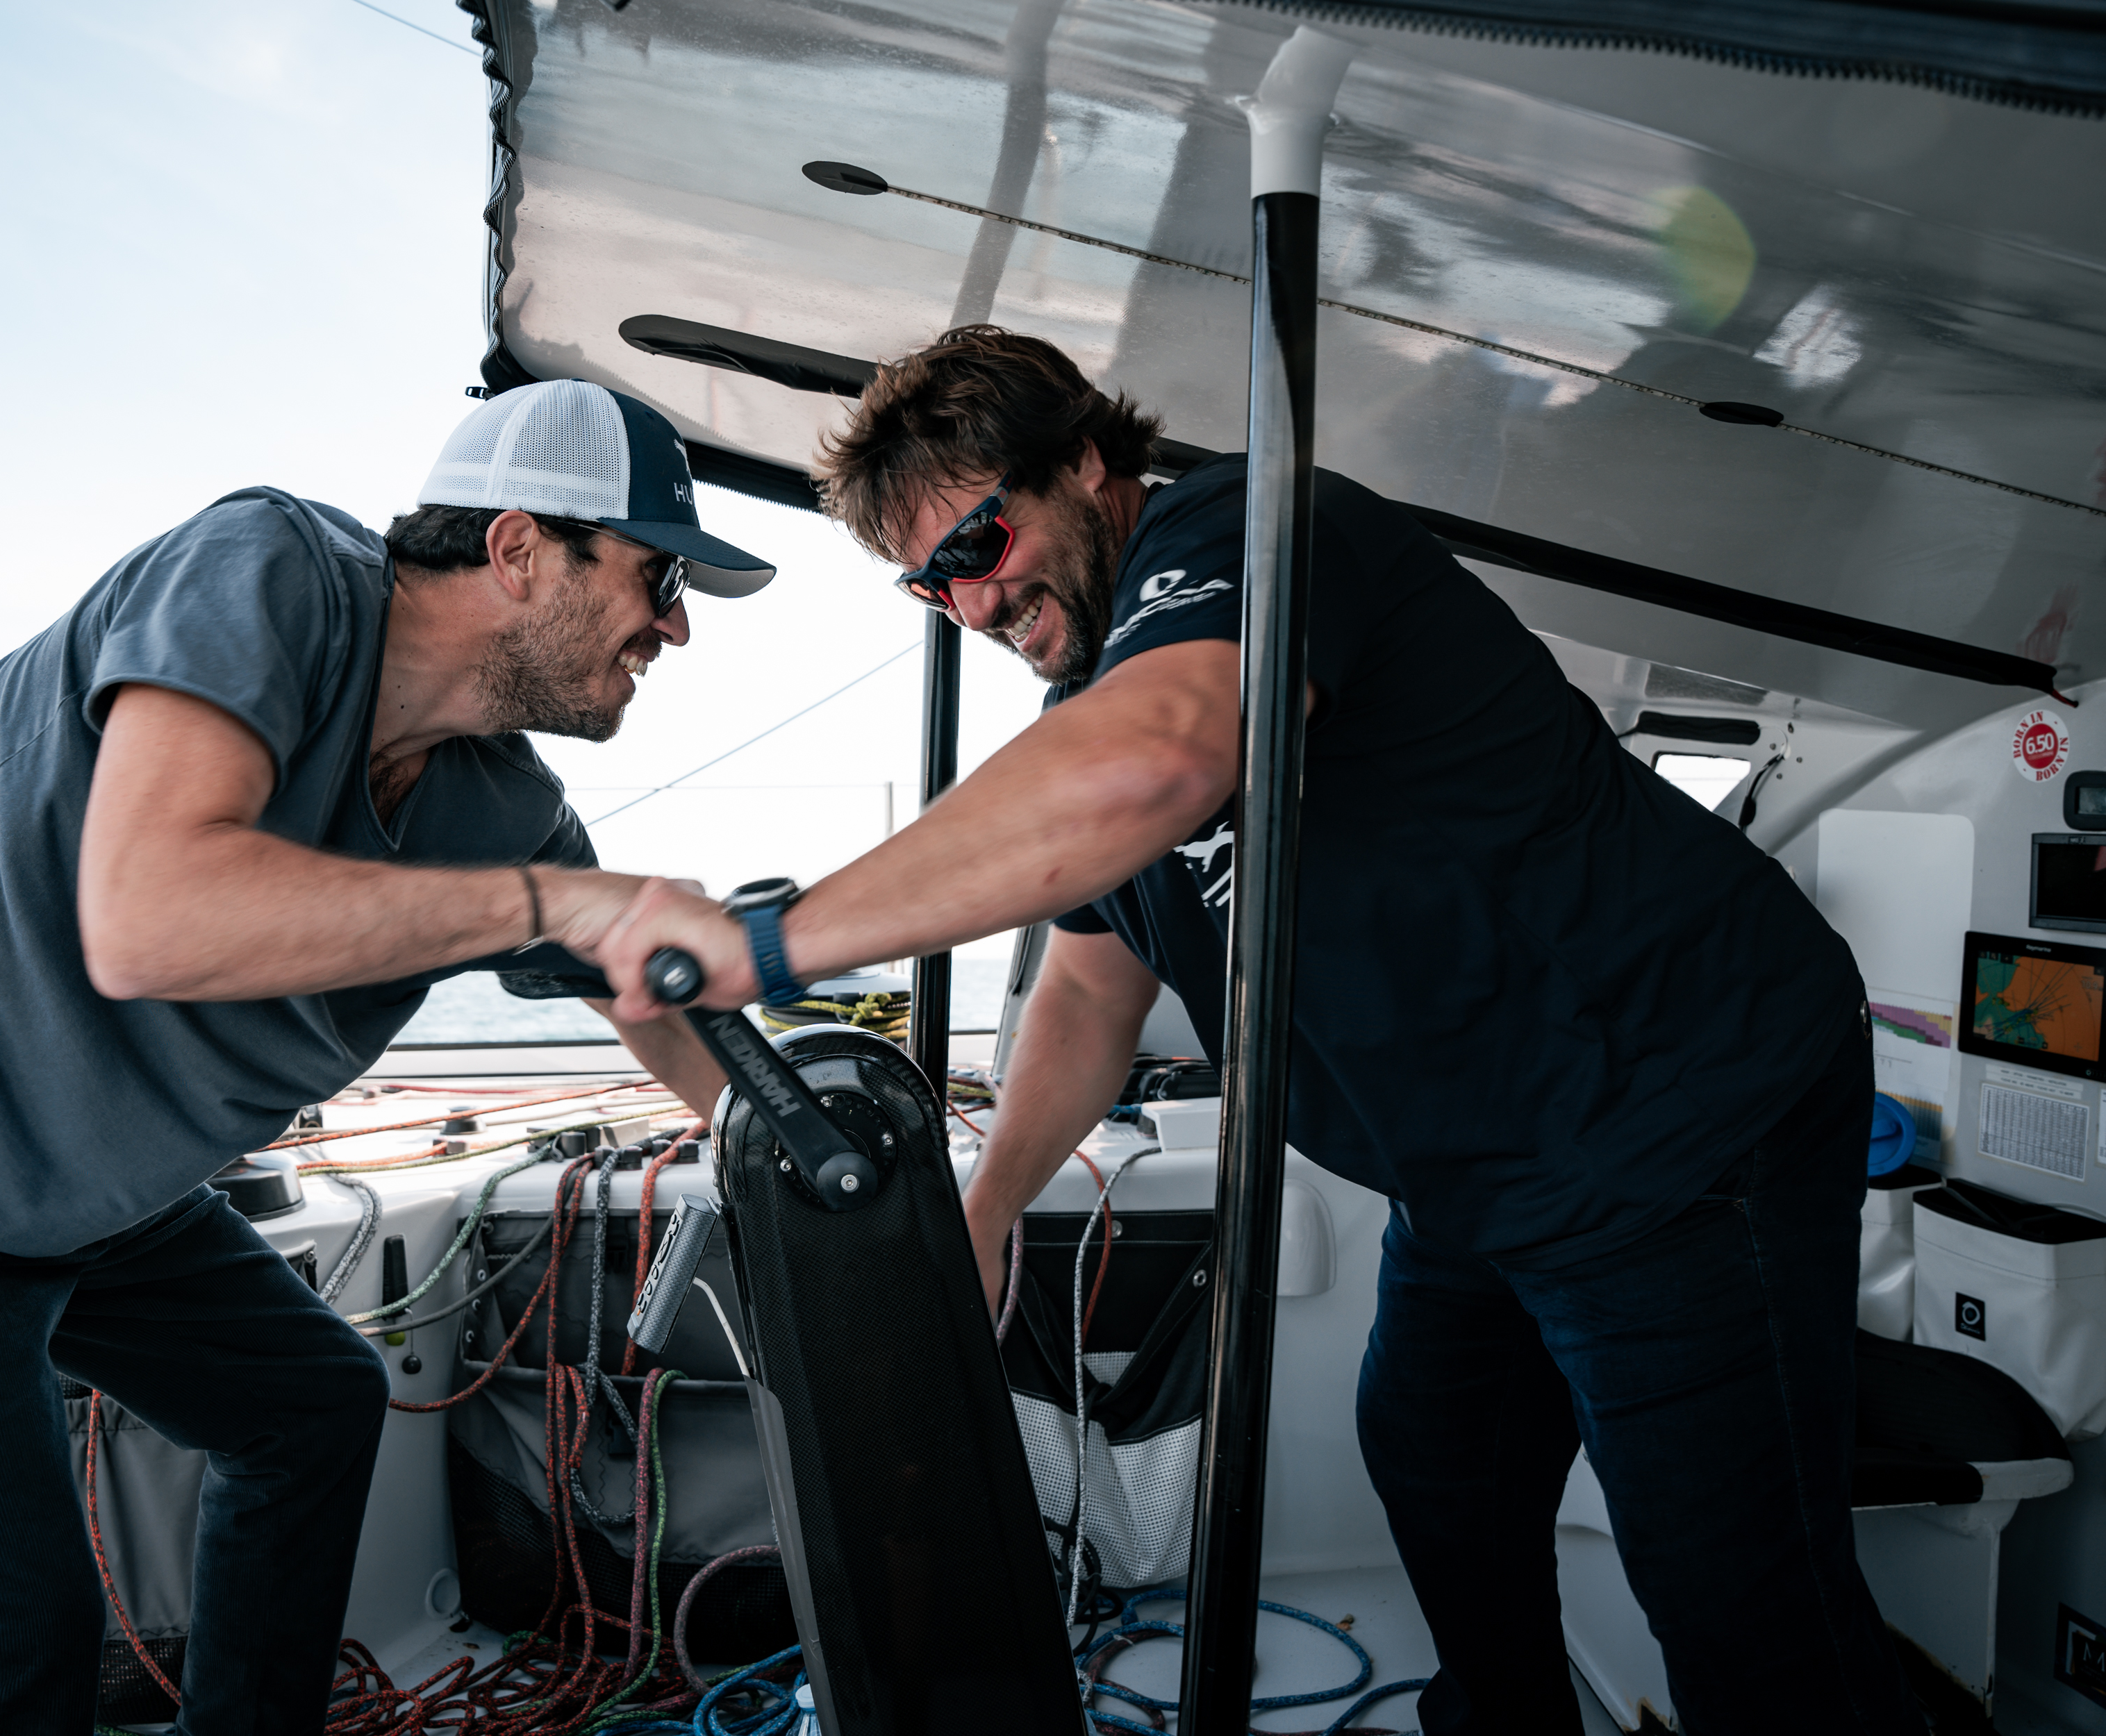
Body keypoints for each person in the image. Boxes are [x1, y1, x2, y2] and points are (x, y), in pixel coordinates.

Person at [595, 327, 1925, 1734]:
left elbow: (1170, 754)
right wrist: (989, 1206)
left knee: (1739, 1598)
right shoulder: (1090, 705)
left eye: (980, 539)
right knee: (1437, 1456)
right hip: (1484, 1166)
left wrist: (766, 942)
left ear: (1092, 462)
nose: (969, 599)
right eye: (930, 580)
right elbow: (1090, 988)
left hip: (1671, 1113)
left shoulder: (1249, 532)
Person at [0, 378, 755, 1735]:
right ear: (520, 547)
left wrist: (780, 1136)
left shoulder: (502, 801)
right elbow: (152, 916)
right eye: (658, 575)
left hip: (58, 1179)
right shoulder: (271, 567)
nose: (677, 625)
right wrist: (545, 903)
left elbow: (638, 985)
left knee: (311, 1407)